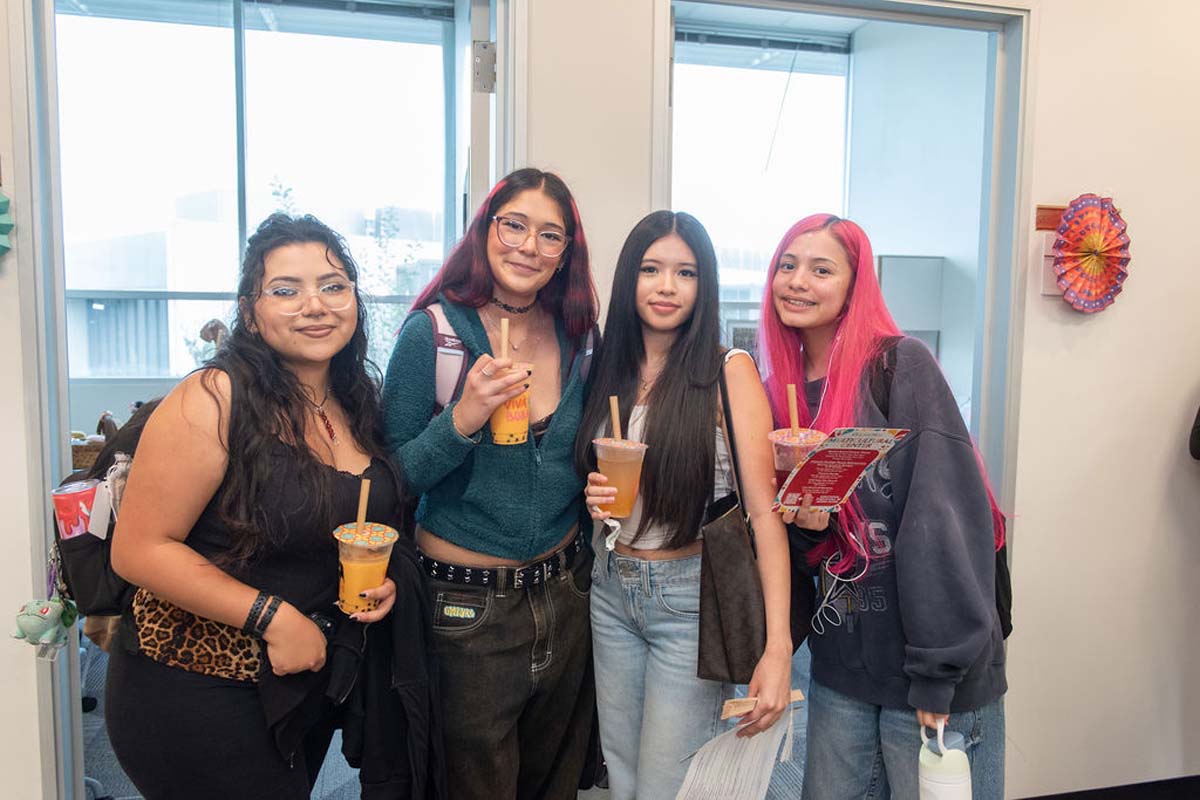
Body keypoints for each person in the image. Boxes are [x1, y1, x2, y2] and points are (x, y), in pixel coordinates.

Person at [107, 214, 409, 799]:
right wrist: (273, 617)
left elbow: (336, 523)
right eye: (286, 290)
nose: (315, 305)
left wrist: (384, 582)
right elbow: (139, 549)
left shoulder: (352, 399)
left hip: (299, 683)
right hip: (197, 682)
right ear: (250, 312)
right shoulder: (215, 397)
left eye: (333, 285)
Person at [757, 213, 1007, 800]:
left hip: (930, 667)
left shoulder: (899, 366)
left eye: (822, 269)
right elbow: (814, 552)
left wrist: (938, 674)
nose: (798, 281)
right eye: (788, 265)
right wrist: (808, 528)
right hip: (843, 666)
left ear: (854, 285)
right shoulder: (779, 396)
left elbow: (943, 521)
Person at [382, 167, 600, 799]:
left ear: (565, 254)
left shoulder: (579, 338)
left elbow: (577, 459)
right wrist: (464, 419)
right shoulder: (434, 335)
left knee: (555, 783)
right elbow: (392, 478)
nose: (529, 246)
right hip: (465, 609)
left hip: (565, 595)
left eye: (550, 235)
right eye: (515, 226)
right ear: (485, 230)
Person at [577, 210, 794, 799]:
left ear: (705, 285)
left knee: (667, 787)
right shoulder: (608, 367)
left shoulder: (728, 371)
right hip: (610, 589)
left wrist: (777, 650)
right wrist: (597, 497)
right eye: (651, 269)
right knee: (622, 778)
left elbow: (764, 516)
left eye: (686, 272)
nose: (667, 286)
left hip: (687, 600)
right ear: (630, 277)